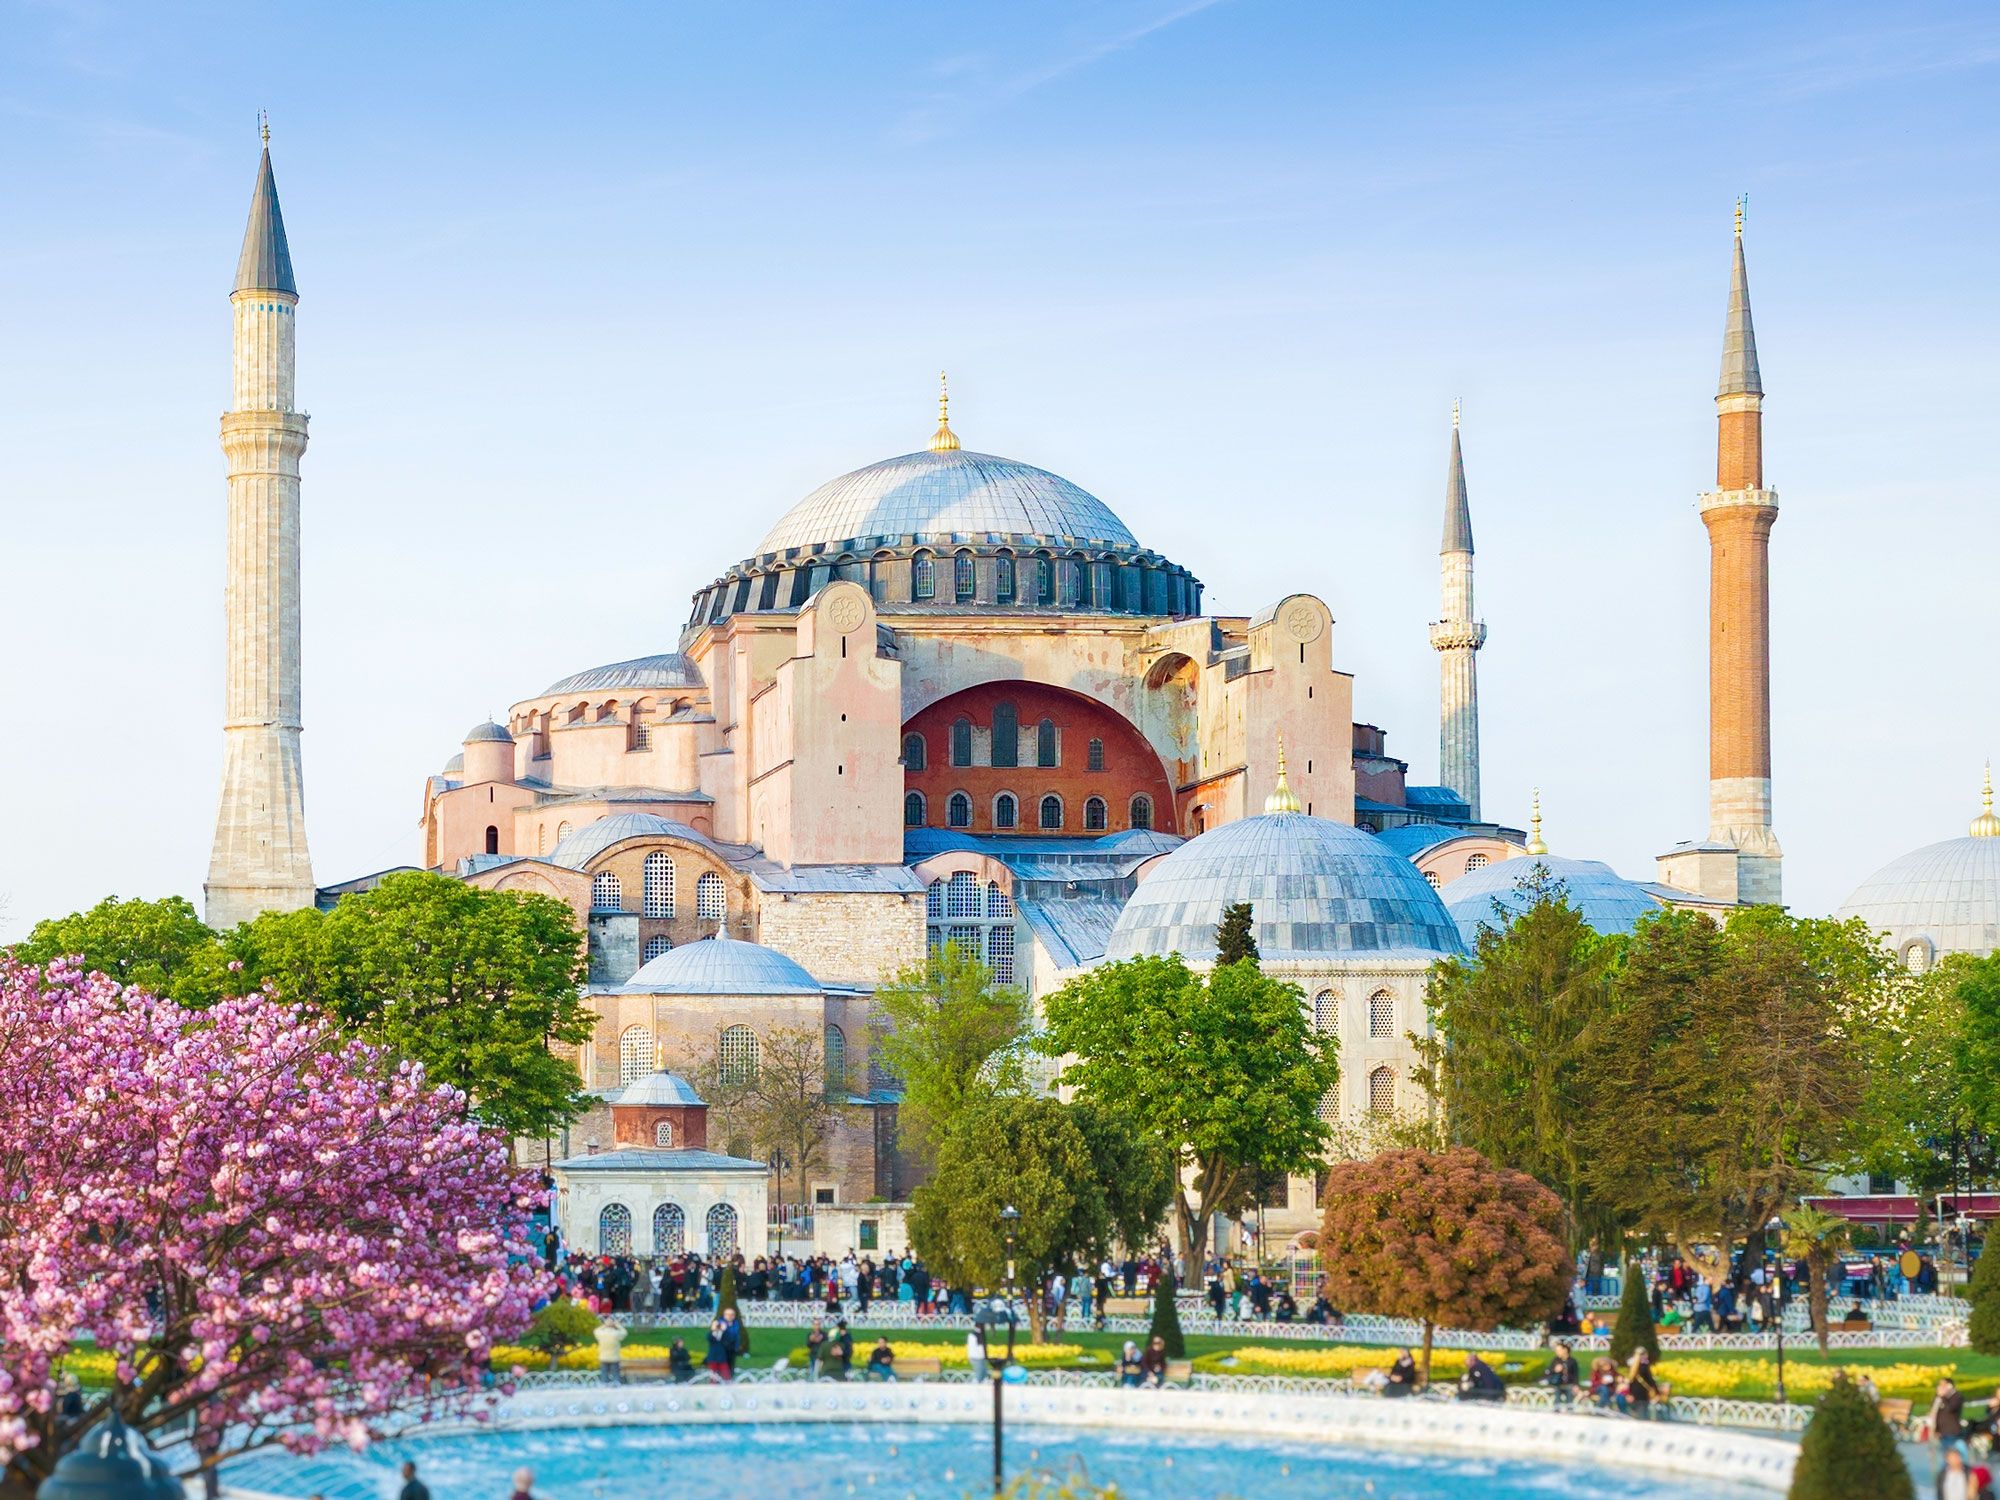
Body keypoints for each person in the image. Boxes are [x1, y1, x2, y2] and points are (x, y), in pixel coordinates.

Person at [1620, 1349, 1662, 1419]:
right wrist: (1657, 1393)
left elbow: (1630, 1381)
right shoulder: (1644, 1366)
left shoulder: (1632, 1366)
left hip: (1634, 1392)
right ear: (1645, 1355)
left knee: (1636, 1412)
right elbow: (1650, 1380)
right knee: (1643, 1414)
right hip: (1643, 1393)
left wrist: (1629, 1393)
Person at [1932, 1376, 1967, 1454]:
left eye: (1943, 1385)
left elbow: (1950, 1409)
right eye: (1939, 1385)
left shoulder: (1957, 1396)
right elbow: (1934, 1410)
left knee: (1951, 1453)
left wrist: (1943, 1397)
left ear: (1950, 1386)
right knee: (1945, 1454)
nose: (1940, 1387)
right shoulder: (1940, 1397)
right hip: (1941, 1431)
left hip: (1951, 1431)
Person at [1544, 1342, 1581, 1406]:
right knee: (1557, 1403)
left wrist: (1576, 1385)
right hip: (1558, 1384)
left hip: (1569, 1384)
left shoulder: (1572, 1361)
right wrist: (1555, 1370)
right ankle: (1556, 1413)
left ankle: (1569, 1413)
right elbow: (1548, 1371)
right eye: (1556, 1351)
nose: (1557, 1352)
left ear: (1565, 1350)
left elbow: (1575, 1374)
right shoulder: (1555, 1360)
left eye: (1559, 1350)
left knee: (1569, 1403)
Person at [593, 1315, 626, 1386]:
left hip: (603, 1357)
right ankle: (616, 1383)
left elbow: (595, 1331)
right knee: (615, 1372)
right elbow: (624, 1332)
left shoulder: (601, 1334)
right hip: (614, 1357)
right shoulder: (616, 1334)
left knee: (604, 1373)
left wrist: (604, 1325)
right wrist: (617, 1325)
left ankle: (604, 1383)